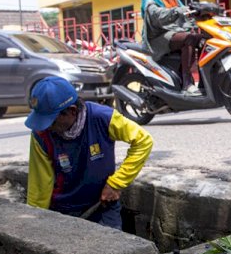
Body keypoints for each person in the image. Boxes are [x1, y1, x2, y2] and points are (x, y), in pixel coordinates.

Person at [25, 76, 154, 230]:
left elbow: (143, 141)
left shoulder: (103, 118)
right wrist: (36, 221)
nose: (46, 128)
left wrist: (116, 184)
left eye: (51, 121)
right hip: (64, 209)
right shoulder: (41, 134)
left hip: (103, 205)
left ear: (72, 112)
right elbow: (39, 185)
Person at [141, 0, 205, 95]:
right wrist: (176, 11)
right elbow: (154, 13)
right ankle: (187, 84)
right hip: (157, 38)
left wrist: (200, 12)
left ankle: (204, 82)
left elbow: (186, 12)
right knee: (188, 38)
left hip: (172, 34)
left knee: (203, 39)